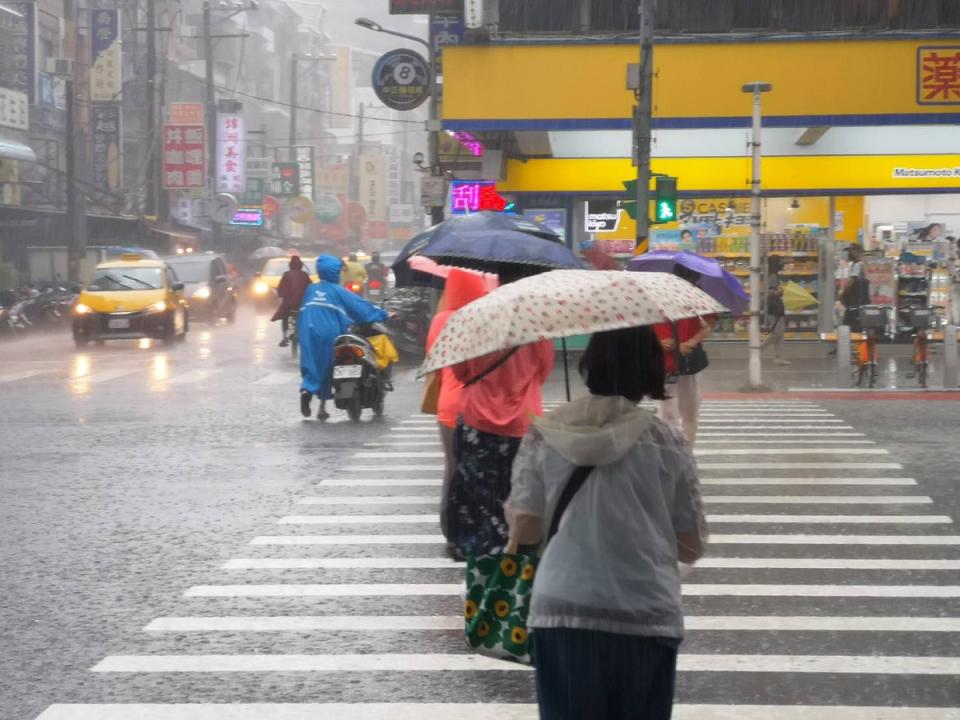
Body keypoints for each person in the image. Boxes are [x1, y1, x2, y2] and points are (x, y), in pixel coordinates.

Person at [506, 325, 707, 720]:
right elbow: (692, 542)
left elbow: (525, 530)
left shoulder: (546, 433)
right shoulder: (667, 441)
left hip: (563, 610)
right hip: (646, 613)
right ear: (650, 369)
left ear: (590, 364)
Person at [447, 309, 554, 559]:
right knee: (520, 497)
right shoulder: (538, 325)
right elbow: (543, 372)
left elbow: (460, 371)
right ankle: (512, 560)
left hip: (477, 421)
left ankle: (483, 561)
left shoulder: (477, 318)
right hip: (523, 422)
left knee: (479, 500)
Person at [425, 269, 488, 553]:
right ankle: (474, 529)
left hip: (447, 407)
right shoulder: (482, 317)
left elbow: (434, 360)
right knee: (476, 472)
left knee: (452, 469)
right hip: (475, 405)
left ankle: (450, 530)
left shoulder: (440, 319)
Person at [298, 255, 388, 420]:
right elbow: (360, 307)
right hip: (329, 331)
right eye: (338, 270)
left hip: (306, 330)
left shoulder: (310, 289)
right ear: (333, 272)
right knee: (329, 366)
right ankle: (322, 408)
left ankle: (306, 390)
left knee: (310, 363)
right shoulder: (338, 290)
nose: (340, 273)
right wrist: (383, 314)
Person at [654, 264, 713, 445]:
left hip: (688, 365)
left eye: (692, 280)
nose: (690, 284)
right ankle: (668, 451)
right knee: (665, 412)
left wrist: (691, 342)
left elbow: (708, 325)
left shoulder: (699, 296)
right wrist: (658, 342)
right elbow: (643, 326)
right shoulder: (657, 296)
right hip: (664, 365)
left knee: (690, 410)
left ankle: (686, 451)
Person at [271, 256, 312, 347]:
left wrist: (281, 295)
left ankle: (285, 337)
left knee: (284, 316)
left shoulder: (286, 274)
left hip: (288, 304)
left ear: (290, 265)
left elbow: (280, 290)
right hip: (302, 304)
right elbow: (310, 288)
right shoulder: (304, 275)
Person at [763, 254, 790, 365]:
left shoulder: (774, 276)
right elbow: (769, 293)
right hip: (774, 308)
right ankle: (759, 348)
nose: (781, 264)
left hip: (778, 307)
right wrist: (780, 291)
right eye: (779, 262)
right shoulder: (772, 277)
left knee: (780, 334)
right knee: (777, 333)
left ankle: (779, 358)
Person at [841, 244, 869, 330]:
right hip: (860, 302)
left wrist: (843, 294)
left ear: (857, 251)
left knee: (849, 325)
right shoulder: (862, 263)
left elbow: (851, 282)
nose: (849, 253)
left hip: (855, 302)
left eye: (851, 251)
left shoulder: (857, 264)